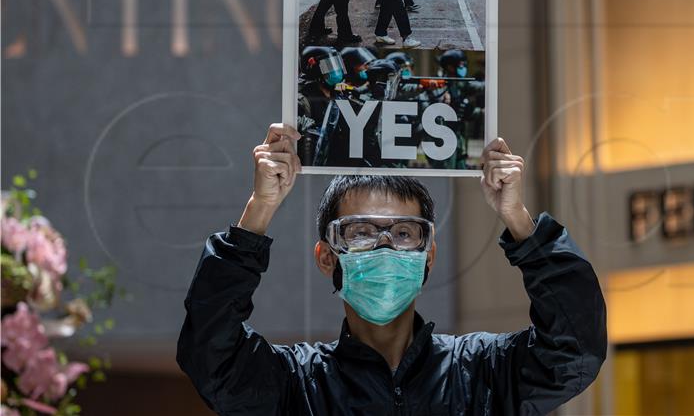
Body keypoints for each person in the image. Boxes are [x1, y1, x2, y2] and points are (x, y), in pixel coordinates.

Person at [176, 123, 608, 415]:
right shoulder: (298, 385)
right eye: (361, 232)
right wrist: (260, 210)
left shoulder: (482, 373)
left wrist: (519, 221)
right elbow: (211, 355)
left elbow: (576, 349)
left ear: (428, 256)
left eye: (404, 234)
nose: (384, 247)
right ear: (328, 257)